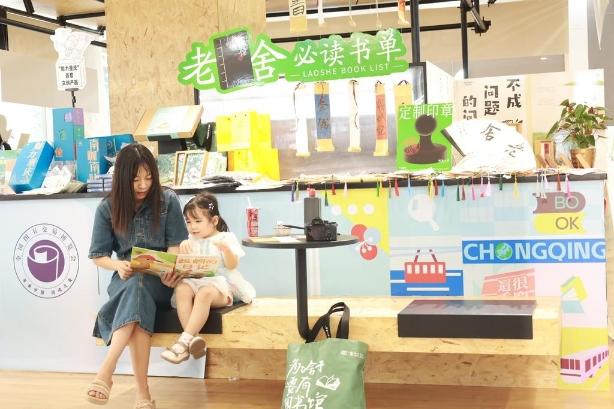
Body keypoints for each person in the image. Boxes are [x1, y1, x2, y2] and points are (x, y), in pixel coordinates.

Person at [86, 143, 188, 408]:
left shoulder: (168, 200)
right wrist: (117, 266)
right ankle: (143, 395)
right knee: (136, 289)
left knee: (139, 286)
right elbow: (98, 255)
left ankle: (106, 371)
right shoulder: (107, 207)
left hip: (161, 283)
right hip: (125, 278)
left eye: (148, 177)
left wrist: (169, 270)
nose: (143, 185)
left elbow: (175, 245)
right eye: (135, 179)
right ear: (122, 178)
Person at [160, 192, 256, 364]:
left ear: (214, 220)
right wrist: (182, 251)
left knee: (204, 293)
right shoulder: (189, 240)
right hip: (196, 281)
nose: (192, 227)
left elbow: (232, 265)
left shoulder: (225, 238)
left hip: (221, 287)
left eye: (198, 221)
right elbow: (185, 266)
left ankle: (182, 343)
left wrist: (226, 250)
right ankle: (192, 339)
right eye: (188, 222)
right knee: (181, 289)